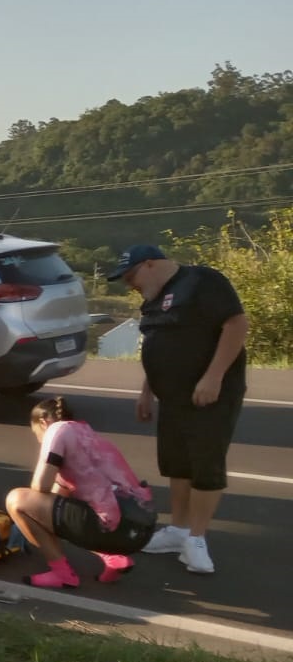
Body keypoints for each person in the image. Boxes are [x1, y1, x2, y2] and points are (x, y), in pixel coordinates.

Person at [107, 244, 249, 575]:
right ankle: (179, 530)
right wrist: (147, 391)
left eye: (131, 277)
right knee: (177, 464)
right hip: (172, 397)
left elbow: (236, 325)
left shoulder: (202, 281)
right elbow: (157, 347)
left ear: (150, 264)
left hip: (211, 395)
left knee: (205, 464)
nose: (130, 285)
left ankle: (196, 539)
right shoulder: (153, 299)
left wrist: (213, 377)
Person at [4, 396, 156, 587]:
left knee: (17, 500)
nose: (39, 440)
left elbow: (40, 486)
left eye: (36, 434)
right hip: (140, 529)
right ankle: (113, 558)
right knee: (66, 509)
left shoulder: (57, 430)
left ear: (43, 423)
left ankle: (63, 574)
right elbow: (54, 505)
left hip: (115, 527)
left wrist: (27, 523)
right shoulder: (86, 433)